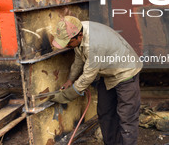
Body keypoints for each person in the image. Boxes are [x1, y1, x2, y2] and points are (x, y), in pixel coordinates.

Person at [51, 16, 143, 145]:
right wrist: (70, 80)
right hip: (108, 74)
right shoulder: (75, 27)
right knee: (105, 112)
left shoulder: (94, 44)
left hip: (125, 72)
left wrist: (66, 95)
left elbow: (88, 75)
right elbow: (78, 61)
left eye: (68, 42)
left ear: (80, 36)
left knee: (127, 117)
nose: (66, 45)